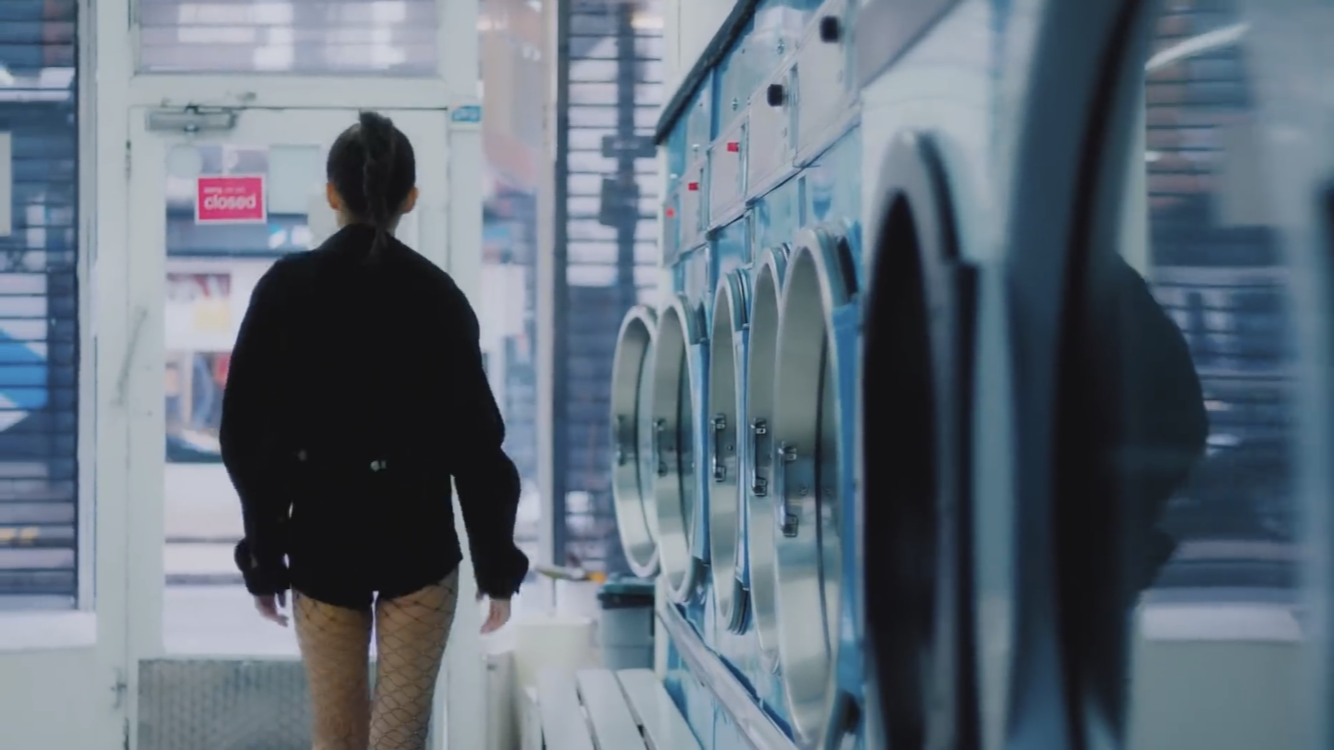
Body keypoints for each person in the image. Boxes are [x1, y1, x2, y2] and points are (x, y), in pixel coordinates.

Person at [219, 111, 529, 750]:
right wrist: (496, 567)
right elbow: (476, 444)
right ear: (409, 198)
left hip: (323, 538)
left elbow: (250, 441)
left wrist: (265, 558)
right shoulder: (438, 296)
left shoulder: (286, 289)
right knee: (399, 739)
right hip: (418, 542)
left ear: (332, 194)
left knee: (337, 738)